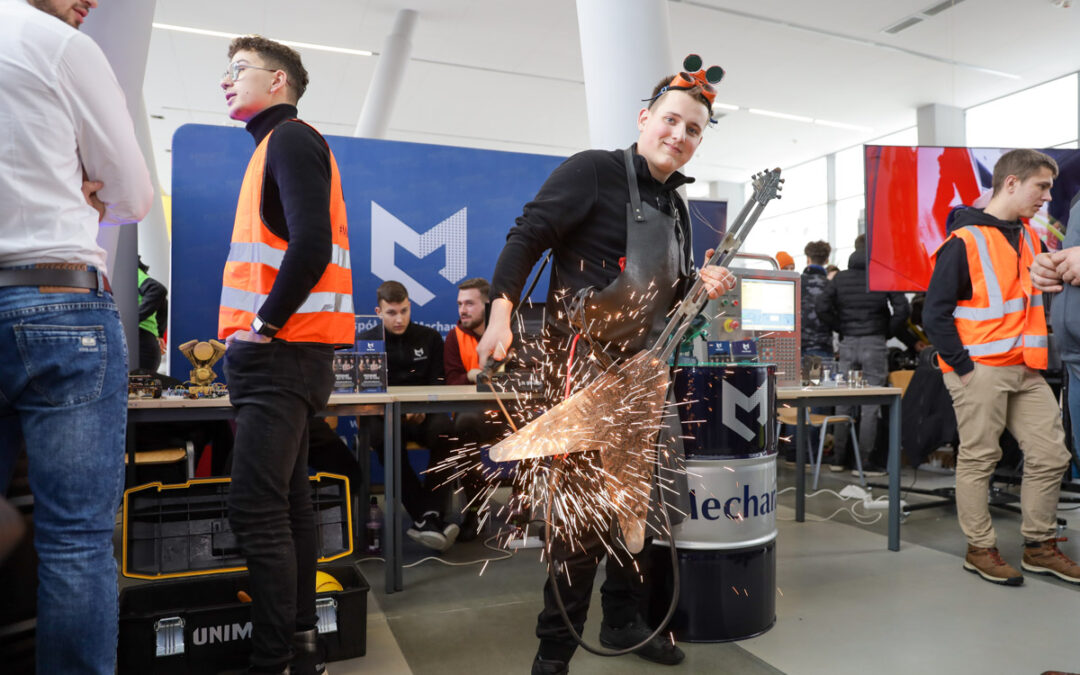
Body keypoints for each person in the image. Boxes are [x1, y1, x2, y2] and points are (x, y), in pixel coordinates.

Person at [477, 60, 735, 675]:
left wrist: (701, 287)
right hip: (585, 374)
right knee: (580, 523)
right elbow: (527, 234)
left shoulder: (675, 205)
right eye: (670, 120)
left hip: (647, 380)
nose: (679, 134)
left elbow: (664, 304)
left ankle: (625, 621)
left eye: (693, 129)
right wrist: (501, 310)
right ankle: (553, 654)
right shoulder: (593, 171)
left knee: (643, 512)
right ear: (645, 119)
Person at [0, 1, 153, 672]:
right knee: (77, 540)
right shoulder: (59, 46)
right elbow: (133, 193)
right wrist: (95, 198)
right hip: (59, 300)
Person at [217, 35, 354, 674]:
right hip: (291, 359)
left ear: (279, 82)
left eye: (239, 70)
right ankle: (300, 647)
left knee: (257, 510)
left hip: (281, 357)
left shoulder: (291, 139)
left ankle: (272, 660)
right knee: (290, 505)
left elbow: (313, 245)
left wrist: (262, 326)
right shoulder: (277, 147)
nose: (226, 80)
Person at [928, 149, 1079, 587]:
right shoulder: (964, 241)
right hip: (980, 368)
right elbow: (935, 313)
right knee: (980, 458)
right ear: (1011, 183)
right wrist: (965, 369)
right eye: (1042, 187)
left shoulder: (1031, 239)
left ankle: (1039, 547)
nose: (1047, 197)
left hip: (1026, 369)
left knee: (1051, 455)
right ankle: (980, 549)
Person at [359, 281, 459, 551]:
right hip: (382, 415)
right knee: (383, 439)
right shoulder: (367, 340)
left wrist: (424, 407)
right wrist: (389, 411)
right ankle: (426, 514)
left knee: (447, 432)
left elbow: (439, 381)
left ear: (410, 307)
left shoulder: (429, 338)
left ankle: (429, 515)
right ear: (378, 311)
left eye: (404, 310)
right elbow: (366, 389)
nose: (399, 318)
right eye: (391, 312)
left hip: (423, 412)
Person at [816, 234, 909, 475]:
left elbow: (821, 307)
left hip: (847, 345)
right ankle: (864, 463)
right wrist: (885, 332)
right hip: (874, 343)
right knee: (870, 405)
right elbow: (903, 309)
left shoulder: (840, 279)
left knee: (843, 402)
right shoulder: (883, 274)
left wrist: (841, 327)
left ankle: (837, 460)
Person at [800, 240, 833, 359]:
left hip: (797, 348)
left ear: (808, 259)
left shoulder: (797, 283)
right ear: (826, 260)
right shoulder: (830, 285)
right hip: (823, 347)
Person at [137, 255, 168, 372]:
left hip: (140, 343)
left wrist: (132, 320)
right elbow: (163, 302)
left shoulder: (130, 272)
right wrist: (160, 333)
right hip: (145, 343)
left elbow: (157, 290)